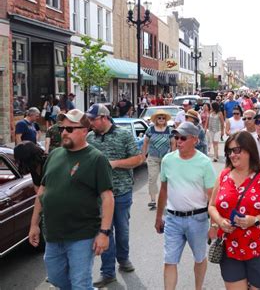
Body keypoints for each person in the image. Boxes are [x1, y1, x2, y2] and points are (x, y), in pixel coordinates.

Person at [28, 109, 114, 289]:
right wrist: (34, 224)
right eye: (62, 129)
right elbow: (43, 191)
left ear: (85, 130)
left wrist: (104, 233)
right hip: (53, 234)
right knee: (56, 279)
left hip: (81, 235)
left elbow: (107, 198)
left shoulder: (96, 159)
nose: (64, 132)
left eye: (70, 129)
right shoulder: (54, 155)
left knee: (80, 283)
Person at [208, 131, 260, 289]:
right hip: (230, 247)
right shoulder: (224, 175)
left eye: (236, 150)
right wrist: (219, 221)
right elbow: (211, 205)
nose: (232, 155)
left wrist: (255, 220)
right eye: (229, 151)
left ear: (249, 150)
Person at [155, 122, 217, 290]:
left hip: (198, 219)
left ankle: (198, 287)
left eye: (183, 138)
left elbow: (212, 196)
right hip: (173, 219)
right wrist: (159, 217)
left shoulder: (204, 163)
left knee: (199, 258)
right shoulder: (168, 160)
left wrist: (214, 225)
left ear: (195, 140)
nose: (178, 141)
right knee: (169, 260)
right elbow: (164, 190)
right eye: (176, 138)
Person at [86, 104, 143, 288]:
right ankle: (108, 272)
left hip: (121, 192)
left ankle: (124, 259)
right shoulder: (89, 137)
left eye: (93, 119)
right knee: (105, 232)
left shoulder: (124, 135)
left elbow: (138, 159)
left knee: (122, 229)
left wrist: (116, 163)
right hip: (99, 196)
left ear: (104, 118)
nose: (90, 123)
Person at [142, 109, 175, 211]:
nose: (161, 119)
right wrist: (143, 155)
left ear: (166, 120)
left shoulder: (169, 130)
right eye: (159, 118)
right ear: (156, 119)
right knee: (152, 178)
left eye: (163, 118)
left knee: (165, 179)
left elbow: (173, 143)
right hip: (152, 158)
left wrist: (172, 155)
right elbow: (145, 143)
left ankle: (166, 200)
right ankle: (153, 200)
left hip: (166, 159)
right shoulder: (150, 130)